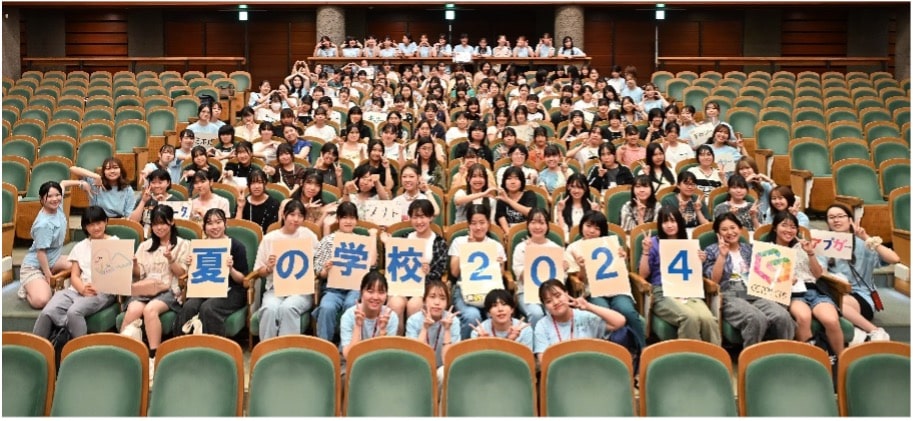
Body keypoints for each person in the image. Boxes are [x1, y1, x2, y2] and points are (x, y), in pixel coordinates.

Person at [703, 212, 795, 347]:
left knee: (783, 316)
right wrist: (722, 256)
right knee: (756, 318)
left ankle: (782, 354)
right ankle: (752, 358)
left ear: (740, 229)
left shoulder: (751, 249)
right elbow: (714, 280)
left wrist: (786, 279)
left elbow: (768, 273)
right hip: (729, 294)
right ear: (718, 233)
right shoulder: (711, 251)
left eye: (733, 227)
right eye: (724, 229)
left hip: (755, 292)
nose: (730, 232)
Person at [765, 211, 844, 359]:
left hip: (814, 290)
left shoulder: (802, 247)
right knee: (804, 317)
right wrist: (785, 280)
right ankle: (810, 359)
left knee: (831, 320)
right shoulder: (767, 250)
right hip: (792, 294)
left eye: (793, 227)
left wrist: (811, 253)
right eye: (784, 226)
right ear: (775, 228)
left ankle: (841, 361)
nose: (789, 230)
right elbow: (765, 279)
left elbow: (817, 275)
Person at [564, 211, 646, 351]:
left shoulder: (611, 244)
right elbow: (578, 281)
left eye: (597, 228)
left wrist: (622, 258)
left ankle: (642, 349)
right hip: (593, 291)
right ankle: (608, 351)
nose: (591, 231)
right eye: (588, 225)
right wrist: (583, 267)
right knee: (604, 312)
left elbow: (620, 271)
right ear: (582, 225)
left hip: (617, 289)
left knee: (628, 311)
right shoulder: (573, 248)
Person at [638, 206, 721, 344]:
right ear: (660, 224)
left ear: (679, 222)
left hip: (686, 289)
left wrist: (700, 260)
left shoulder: (689, 244)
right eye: (665, 222)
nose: (669, 225)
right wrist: (646, 252)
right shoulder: (653, 242)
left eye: (673, 221)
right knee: (689, 317)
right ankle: (689, 359)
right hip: (662, 291)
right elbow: (643, 274)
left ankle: (714, 358)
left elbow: (694, 273)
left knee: (708, 319)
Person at [821, 203, 900, 344]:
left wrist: (866, 237)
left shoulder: (864, 243)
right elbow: (821, 272)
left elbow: (895, 259)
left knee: (838, 302)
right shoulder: (825, 244)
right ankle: (857, 331)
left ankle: (874, 331)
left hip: (861, 296)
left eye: (840, 216)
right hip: (837, 292)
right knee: (829, 303)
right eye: (831, 217)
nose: (836, 220)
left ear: (850, 219)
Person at [32, 206, 116, 339]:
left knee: (74, 312)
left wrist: (97, 287)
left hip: (101, 292)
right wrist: (82, 289)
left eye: (99, 223)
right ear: (85, 227)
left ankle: (79, 352)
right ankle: (37, 351)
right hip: (76, 290)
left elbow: (118, 275)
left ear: (106, 221)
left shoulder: (115, 243)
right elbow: (75, 275)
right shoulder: (80, 246)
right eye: (91, 224)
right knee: (48, 311)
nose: (96, 228)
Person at [123, 205, 189, 369]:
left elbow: (182, 274)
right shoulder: (145, 246)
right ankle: (122, 350)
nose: (159, 227)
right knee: (133, 310)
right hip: (146, 288)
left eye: (163, 223)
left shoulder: (182, 244)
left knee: (150, 310)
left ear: (172, 222)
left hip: (169, 290)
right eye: (155, 224)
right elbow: (140, 274)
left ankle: (154, 355)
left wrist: (170, 259)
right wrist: (134, 264)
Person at [252, 200, 318, 340]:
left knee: (288, 307)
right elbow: (259, 271)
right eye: (292, 214)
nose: (296, 219)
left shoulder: (308, 235)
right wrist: (269, 268)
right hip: (275, 289)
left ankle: (287, 351)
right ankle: (266, 350)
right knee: (269, 309)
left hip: (301, 290)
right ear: (283, 215)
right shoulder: (270, 238)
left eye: (300, 216)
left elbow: (318, 262)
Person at [176, 208, 248, 337]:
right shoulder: (200, 247)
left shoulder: (237, 246)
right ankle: (181, 347)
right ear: (204, 227)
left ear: (225, 224)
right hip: (206, 289)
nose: (215, 227)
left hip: (232, 291)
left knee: (208, 308)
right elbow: (196, 275)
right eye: (210, 223)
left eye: (218, 222)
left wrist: (231, 269)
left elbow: (242, 279)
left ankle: (214, 348)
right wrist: (191, 265)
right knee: (189, 306)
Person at [314, 202, 378, 342]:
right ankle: (325, 346)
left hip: (355, 288)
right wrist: (326, 268)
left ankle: (348, 347)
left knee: (352, 305)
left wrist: (373, 237)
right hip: (332, 289)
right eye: (344, 217)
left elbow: (372, 264)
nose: (348, 221)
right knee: (326, 306)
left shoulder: (362, 241)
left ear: (356, 220)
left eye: (352, 218)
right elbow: (320, 272)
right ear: (338, 219)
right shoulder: (328, 240)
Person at [383, 200, 449, 335]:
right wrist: (387, 243)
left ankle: (415, 344)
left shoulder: (439, 242)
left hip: (423, 287)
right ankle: (397, 343)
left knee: (414, 305)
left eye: (423, 217)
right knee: (395, 304)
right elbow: (392, 264)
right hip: (401, 286)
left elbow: (439, 271)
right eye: (415, 217)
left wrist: (428, 271)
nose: (419, 221)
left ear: (430, 218)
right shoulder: (403, 238)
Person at [449, 203, 508, 339]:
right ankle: (462, 351)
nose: (478, 227)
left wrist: (499, 265)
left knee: (495, 314)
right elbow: (454, 273)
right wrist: (467, 249)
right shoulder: (459, 242)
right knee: (472, 315)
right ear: (468, 225)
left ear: (488, 223)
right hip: (465, 290)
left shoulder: (496, 246)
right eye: (474, 223)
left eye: (482, 222)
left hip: (490, 290)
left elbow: (501, 275)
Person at [533, 279, 626, 363]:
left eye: (558, 296)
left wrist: (589, 307)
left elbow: (619, 321)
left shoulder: (584, 316)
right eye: (549, 301)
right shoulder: (542, 325)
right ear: (544, 306)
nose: (556, 302)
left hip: (590, 369)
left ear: (567, 293)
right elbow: (543, 361)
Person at [510, 207, 567, 328]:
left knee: (553, 311)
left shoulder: (555, 248)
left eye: (541, 223)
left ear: (547, 225)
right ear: (528, 225)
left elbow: (561, 281)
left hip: (551, 294)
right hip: (526, 292)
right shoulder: (521, 248)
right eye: (533, 222)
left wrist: (563, 269)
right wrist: (531, 254)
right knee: (537, 313)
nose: (537, 227)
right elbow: (522, 277)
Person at [19, 181, 72, 309]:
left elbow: (64, 183)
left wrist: (82, 184)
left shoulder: (57, 206)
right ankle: (27, 288)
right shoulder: (43, 224)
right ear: (42, 199)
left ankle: (46, 284)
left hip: (53, 260)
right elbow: (40, 253)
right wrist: (48, 276)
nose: (55, 199)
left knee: (79, 265)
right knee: (41, 301)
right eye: (50, 196)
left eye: (57, 195)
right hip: (35, 266)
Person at [405, 280, 461, 382]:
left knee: (444, 372)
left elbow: (448, 361)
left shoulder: (453, 321)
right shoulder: (413, 320)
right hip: (419, 367)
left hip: (441, 368)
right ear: (424, 300)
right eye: (432, 297)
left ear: (447, 303)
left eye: (442, 298)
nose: (437, 302)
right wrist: (424, 328)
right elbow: (415, 357)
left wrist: (447, 330)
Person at [340, 270, 398, 361]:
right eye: (370, 291)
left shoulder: (390, 316)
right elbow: (348, 356)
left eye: (381, 292)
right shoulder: (349, 316)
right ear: (361, 292)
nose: (375, 297)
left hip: (380, 366)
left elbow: (386, 357)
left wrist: (382, 331)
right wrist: (357, 326)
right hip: (355, 365)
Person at [65, 157, 134, 218]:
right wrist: (96, 176)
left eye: (115, 168)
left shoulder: (127, 189)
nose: (112, 171)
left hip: (118, 221)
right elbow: (72, 169)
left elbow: (128, 213)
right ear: (103, 171)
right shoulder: (96, 183)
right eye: (108, 169)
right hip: (97, 220)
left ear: (121, 170)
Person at [469, 289, 533, 350]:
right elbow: (478, 360)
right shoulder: (478, 332)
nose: (500, 309)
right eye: (494, 305)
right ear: (488, 312)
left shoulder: (524, 329)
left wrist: (511, 341)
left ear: (512, 309)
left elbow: (526, 359)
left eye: (504, 304)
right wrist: (483, 344)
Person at [235, 168, 280, 234]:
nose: (256, 186)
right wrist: (240, 208)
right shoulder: (243, 202)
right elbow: (236, 229)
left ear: (265, 184)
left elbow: (274, 230)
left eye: (259, 182)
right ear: (248, 186)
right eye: (253, 183)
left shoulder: (274, 204)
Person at [495, 166, 536, 234]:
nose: (512, 182)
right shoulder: (501, 199)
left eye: (516, 179)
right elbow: (502, 219)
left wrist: (508, 200)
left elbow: (530, 212)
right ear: (504, 182)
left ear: (522, 181)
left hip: (528, 231)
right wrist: (510, 236)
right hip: (509, 234)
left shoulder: (529, 194)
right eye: (509, 178)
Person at [737, 156, 775, 223]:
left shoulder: (763, 185)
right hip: (744, 219)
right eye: (741, 169)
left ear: (754, 169)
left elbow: (782, 195)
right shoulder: (735, 187)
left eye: (747, 168)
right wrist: (745, 182)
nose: (745, 171)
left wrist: (770, 181)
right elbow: (735, 196)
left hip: (764, 219)